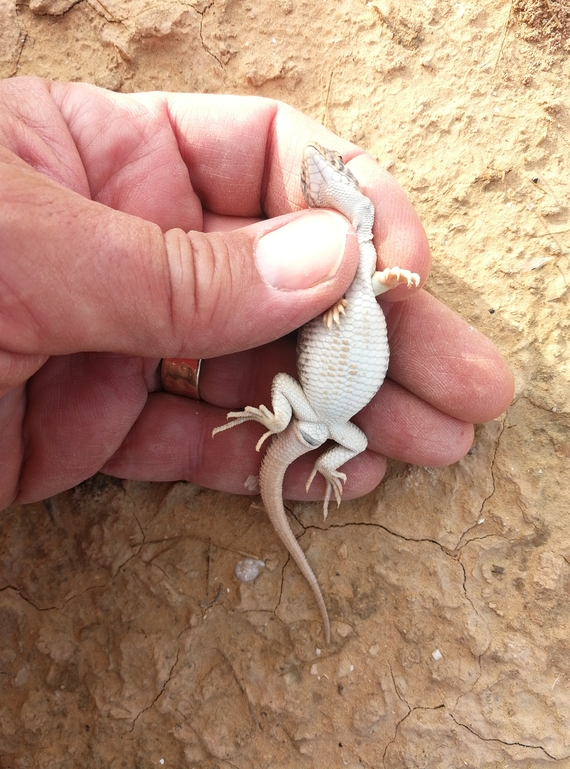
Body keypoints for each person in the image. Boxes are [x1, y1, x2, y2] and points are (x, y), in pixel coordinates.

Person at [0, 77, 514, 512]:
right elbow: (366, 288)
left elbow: (371, 287)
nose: (329, 167)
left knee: (349, 437)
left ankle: (284, 433)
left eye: (338, 168)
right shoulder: (342, 246)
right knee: (346, 429)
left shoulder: (358, 254)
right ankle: (276, 425)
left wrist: (388, 283)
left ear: (358, 198)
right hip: (319, 410)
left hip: (310, 413)